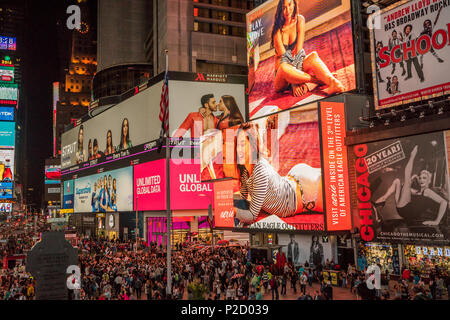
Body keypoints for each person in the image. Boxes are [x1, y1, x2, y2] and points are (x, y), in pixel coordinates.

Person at [234, 123, 323, 225]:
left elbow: (252, 216)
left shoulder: (259, 170)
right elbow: (243, 197)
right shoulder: (245, 170)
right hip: (290, 182)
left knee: (337, 187)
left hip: (303, 190)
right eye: (237, 145)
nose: (238, 150)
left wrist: (233, 211)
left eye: (242, 144)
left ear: (253, 146)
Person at [271, 0, 344, 97]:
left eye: (289, 5)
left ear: (294, 4)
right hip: (283, 77)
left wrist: (296, 79)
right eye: (284, 7)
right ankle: (319, 80)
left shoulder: (300, 20)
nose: (287, 10)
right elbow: (286, 60)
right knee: (284, 67)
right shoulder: (277, 32)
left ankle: (334, 83)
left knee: (313, 56)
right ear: (280, 9)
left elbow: (299, 52)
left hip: (296, 68)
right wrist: (294, 83)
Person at [374, 145, 448, 226]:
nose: (421, 179)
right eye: (420, 178)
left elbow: (444, 202)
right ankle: (381, 201)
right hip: (404, 210)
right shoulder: (418, 191)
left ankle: (412, 155)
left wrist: (436, 221)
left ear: (429, 181)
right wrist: (413, 178)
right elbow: (407, 189)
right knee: (397, 181)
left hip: (406, 210)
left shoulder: (427, 191)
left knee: (407, 180)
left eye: (424, 178)